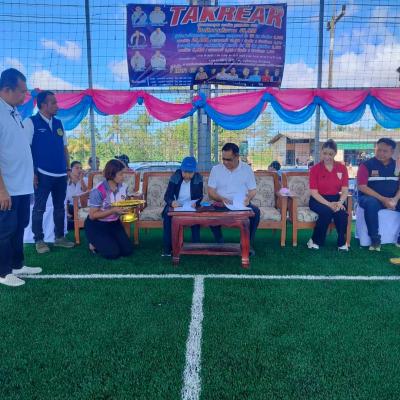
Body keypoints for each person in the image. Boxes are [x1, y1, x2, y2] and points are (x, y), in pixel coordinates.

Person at [0, 68, 42, 286]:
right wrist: (1, 190)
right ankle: (3, 273)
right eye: (22, 91)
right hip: (8, 187)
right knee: (5, 230)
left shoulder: (14, 112)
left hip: (22, 185)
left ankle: (17, 265)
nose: (25, 95)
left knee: (19, 227)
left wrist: (30, 175)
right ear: (7, 89)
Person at [24, 90, 75, 254]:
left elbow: (64, 148)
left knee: (60, 207)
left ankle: (59, 238)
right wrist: (32, 172)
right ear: (43, 105)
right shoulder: (31, 122)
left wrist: (68, 168)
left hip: (61, 174)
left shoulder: (59, 123)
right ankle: (39, 240)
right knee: (39, 208)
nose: (57, 106)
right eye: (53, 103)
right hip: (41, 174)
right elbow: (26, 150)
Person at [207, 143, 260, 254]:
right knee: (209, 213)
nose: (225, 162)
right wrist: (221, 199)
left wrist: (248, 198)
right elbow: (211, 192)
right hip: (221, 203)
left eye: (228, 159)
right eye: (223, 159)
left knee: (255, 212)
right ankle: (219, 241)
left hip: (240, 205)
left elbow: (253, 190)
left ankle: (247, 244)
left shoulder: (246, 169)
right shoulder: (216, 169)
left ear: (237, 157)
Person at [357, 138, 400, 251]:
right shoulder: (366, 165)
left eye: (385, 151)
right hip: (370, 198)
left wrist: (395, 199)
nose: (381, 153)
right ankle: (375, 239)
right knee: (371, 203)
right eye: (378, 150)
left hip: (393, 198)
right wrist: (383, 199)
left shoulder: (398, 165)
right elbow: (362, 186)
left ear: (392, 152)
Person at [85, 159, 133, 259]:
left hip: (114, 223)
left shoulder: (124, 187)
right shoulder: (98, 190)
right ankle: (93, 243)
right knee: (112, 254)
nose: (123, 176)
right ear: (111, 174)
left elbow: (125, 202)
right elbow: (92, 216)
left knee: (127, 251)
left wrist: (128, 207)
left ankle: (108, 240)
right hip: (97, 224)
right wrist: (113, 210)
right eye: (120, 174)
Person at [307, 139, 349, 251]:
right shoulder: (315, 169)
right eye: (325, 153)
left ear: (335, 153)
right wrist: (329, 204)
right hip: (318, 200)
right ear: (321, 152)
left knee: (341, 213)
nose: (327, 157)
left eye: (330, 154)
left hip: (336, 199)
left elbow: (345, 190)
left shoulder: (342, 168)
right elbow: (314, 192)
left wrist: (340, 203)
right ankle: (315, 240)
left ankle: (342, 242)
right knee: (326, 212)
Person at [162, 156, 203, 256]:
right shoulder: (175, 177)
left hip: (190, 206)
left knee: (197, 217)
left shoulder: (198, 178)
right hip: (176, 205)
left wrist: (196, 203)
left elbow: (200, 196)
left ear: (194, 172)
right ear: (181, 170)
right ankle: (168, 248)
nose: (187, 175)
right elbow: (167, 196)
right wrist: (172, 202)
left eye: (190, 172)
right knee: (167, 216)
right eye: (185, 172)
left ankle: (195, 246)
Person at [66, 161, 87, 230]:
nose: (79, 170)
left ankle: (75, 223)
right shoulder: (67, 183)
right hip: (72, 209)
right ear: (71, 170)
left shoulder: (86, 180)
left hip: (83, 208)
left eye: (81, 168)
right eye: (77, 168)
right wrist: (67, 212)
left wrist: (81, 180)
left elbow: (86, 192)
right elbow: (66, 201)